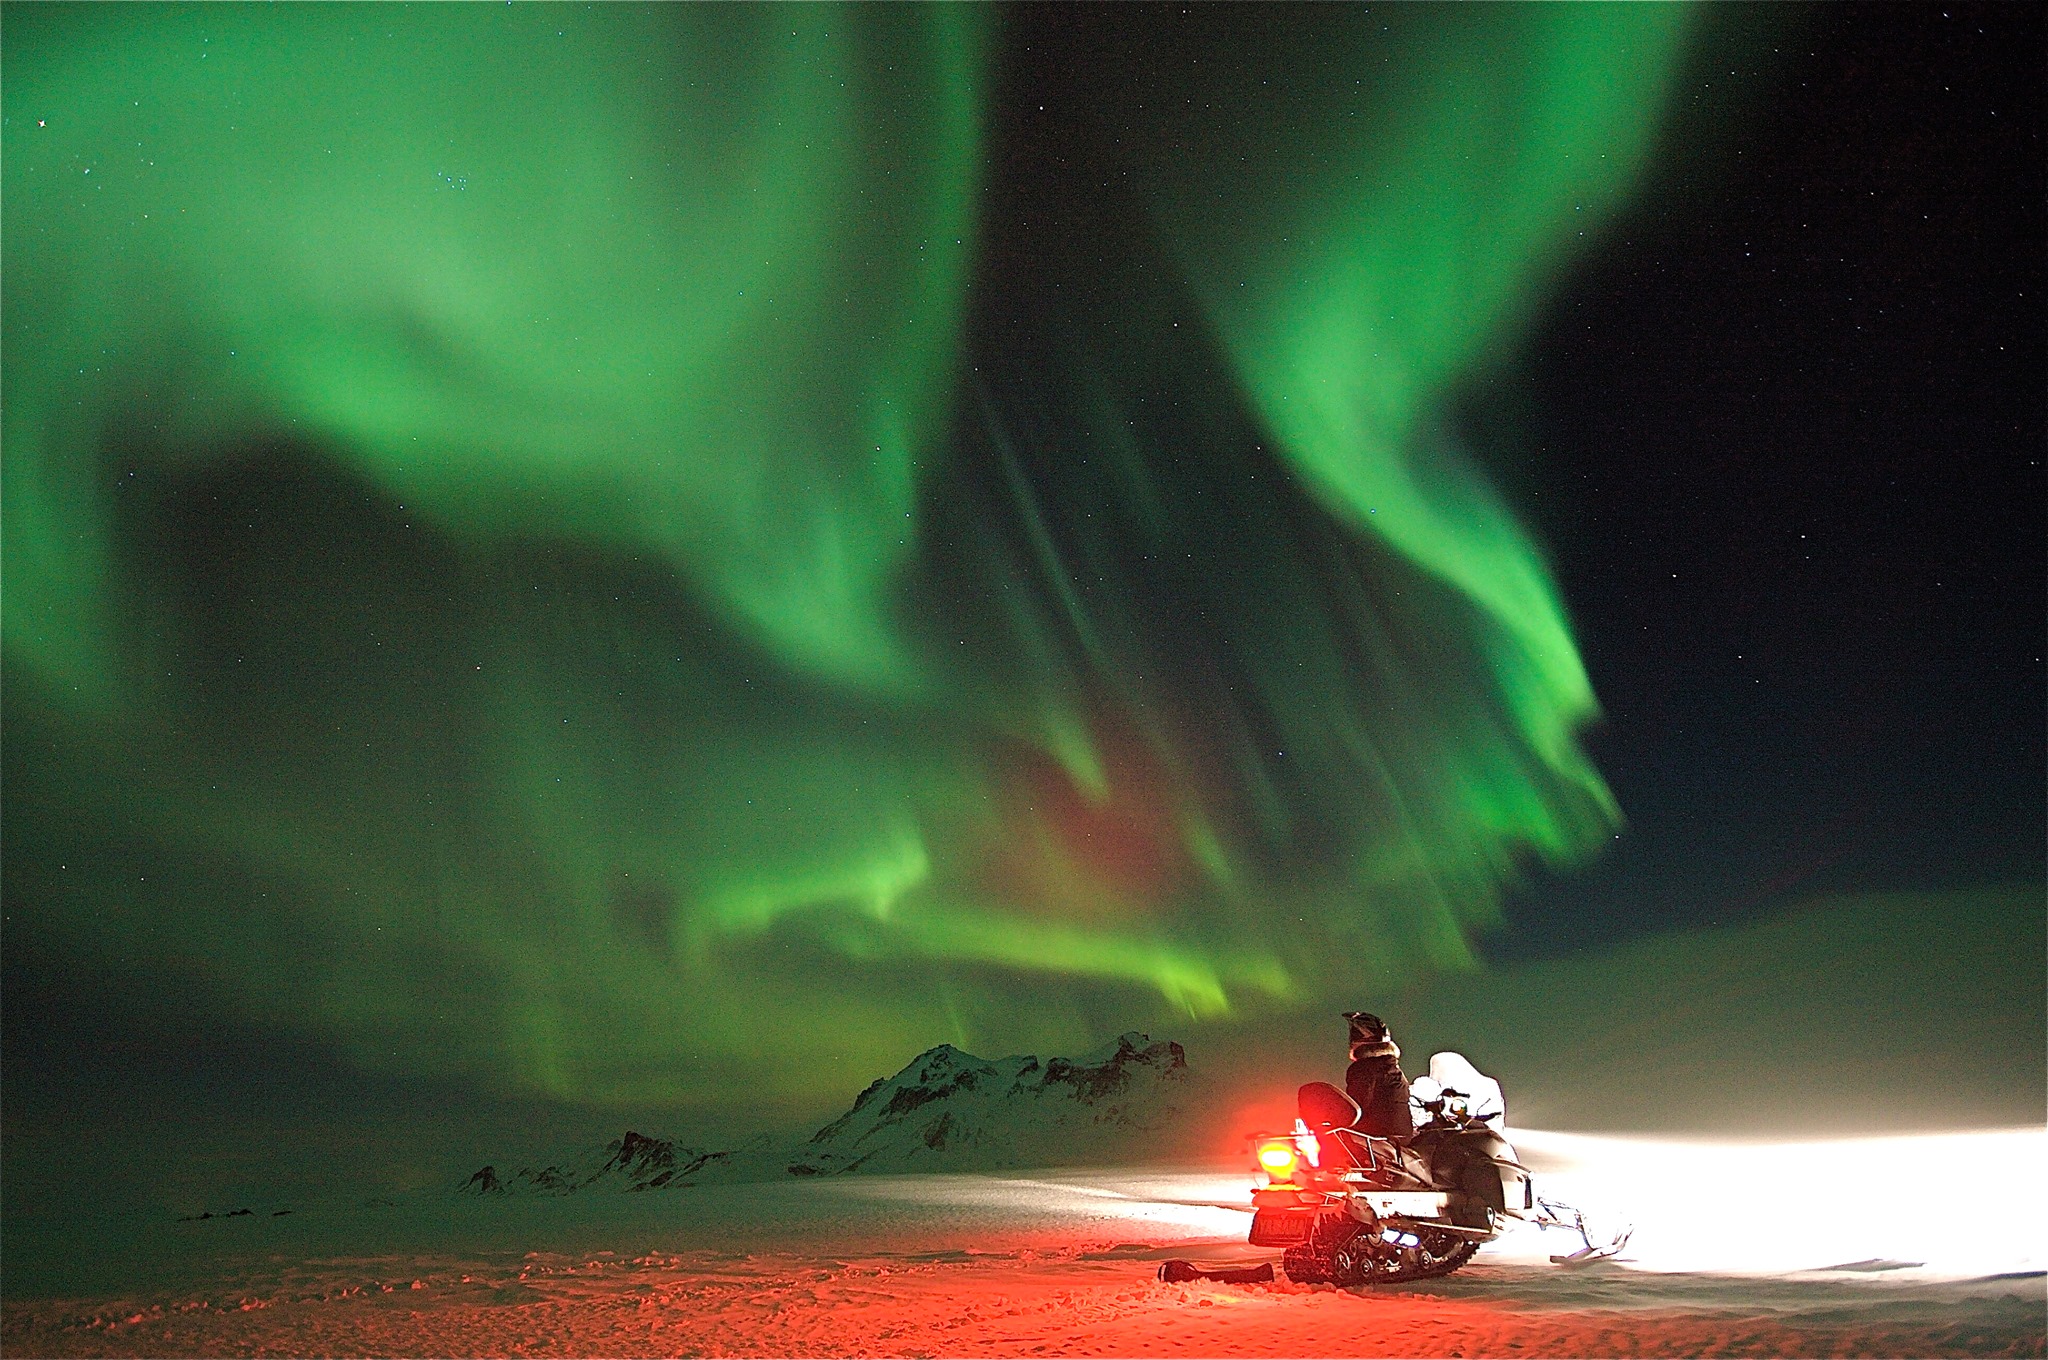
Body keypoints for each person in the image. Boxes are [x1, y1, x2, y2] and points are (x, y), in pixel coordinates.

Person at [1342, 1011, 1414, 1140]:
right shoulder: (1392, 1067)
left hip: (1376, 1138)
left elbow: (1357, 1106)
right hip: (1402, 1138)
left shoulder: (1363, 1068)